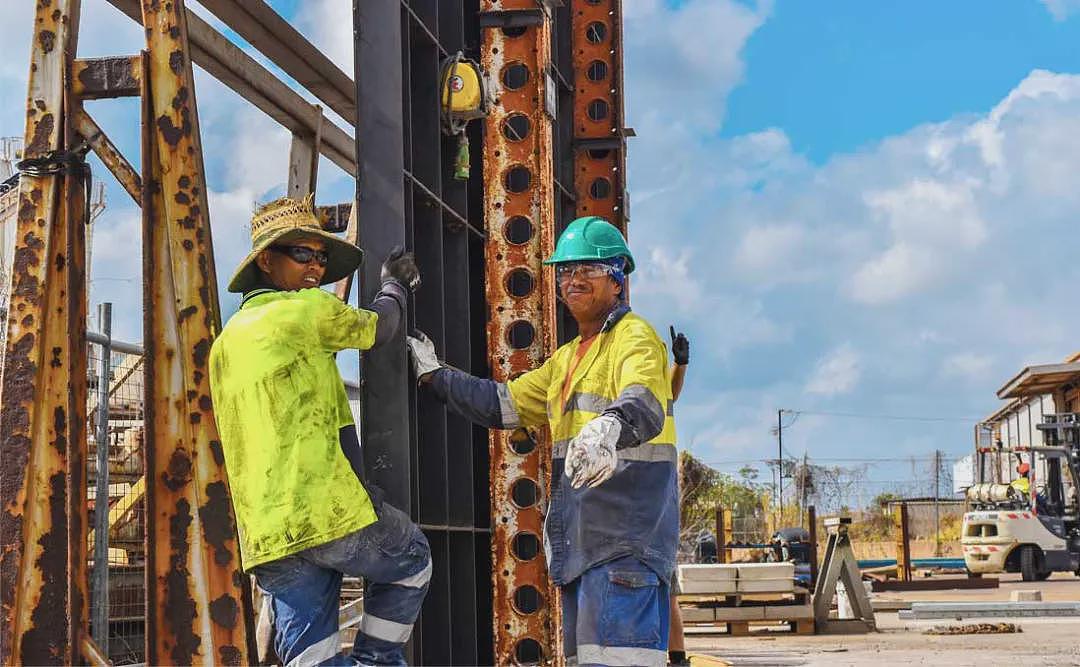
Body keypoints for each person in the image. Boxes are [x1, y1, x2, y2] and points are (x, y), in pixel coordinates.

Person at [407, 216, 678, 666]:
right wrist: (436, 376)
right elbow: (501, 404)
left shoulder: (636, 338)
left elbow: (644, 400)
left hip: (625, 548)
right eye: (565, 271)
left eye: (587, 269)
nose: (573, 280)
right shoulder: (567, 360)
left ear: (617, 277)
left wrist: (610, 426)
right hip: (585, 551)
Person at [208, 196, 431, 666]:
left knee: (313, 660)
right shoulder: (304, 311)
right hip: (324, 513)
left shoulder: (226, 343)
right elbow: (381, 328)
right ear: (267, 261)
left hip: (268, 533)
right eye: (302, 255)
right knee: (411, 557)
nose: (315, 267)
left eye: (321, 257)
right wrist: (395, 286)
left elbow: (325, 416)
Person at [667, 326, 690, 667]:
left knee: (667, 591)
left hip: (653, 504)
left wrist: (680, 364)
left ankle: (678, 658)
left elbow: (668, 394)